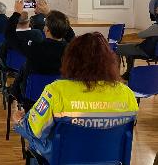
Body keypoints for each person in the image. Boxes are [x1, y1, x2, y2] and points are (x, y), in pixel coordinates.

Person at [13, 32, 139, 164]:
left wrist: (20, 121)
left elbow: (33, 130)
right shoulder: (127, 94)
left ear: (70, 60)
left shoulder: (56, 91)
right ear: (110, 61)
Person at [6, 0, 71, 102]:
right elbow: (70, 34)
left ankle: (14, 92)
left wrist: (16, 13)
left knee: (26, 65)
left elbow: (9, 35)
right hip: (60, 98)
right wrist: (48, 13)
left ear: (47, 30)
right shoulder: (71, 50)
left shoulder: (34, 48)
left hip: (33, 97)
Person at [0, 11, 43, 93]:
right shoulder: (38, 34)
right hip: (32, 67)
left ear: (15, 23)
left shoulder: (11, 38)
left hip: (12, 66)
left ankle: (2, 85)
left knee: (1, 56)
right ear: (29, 22)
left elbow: (2, 53)